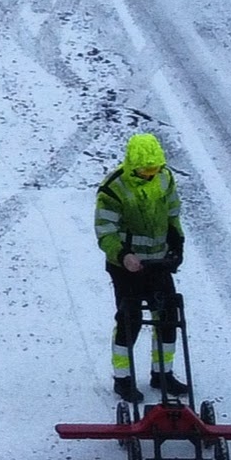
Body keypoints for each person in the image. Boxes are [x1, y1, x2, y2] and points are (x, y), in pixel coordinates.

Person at [94, 132, 186, 406]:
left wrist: (177, 244)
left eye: (154, 168)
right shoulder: (112, 189)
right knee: (129, 318)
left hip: (158, 263)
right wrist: (123, 256)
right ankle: (122, 379)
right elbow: (105, 231)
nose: (150, 173)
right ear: (133, 164)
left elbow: (172, 214)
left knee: (168, 316)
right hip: (126, 267)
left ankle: (162, 373)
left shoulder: (165, 178)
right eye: (145, 169)